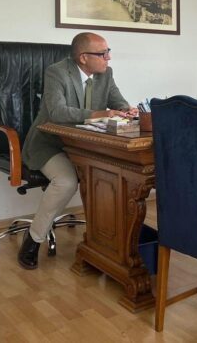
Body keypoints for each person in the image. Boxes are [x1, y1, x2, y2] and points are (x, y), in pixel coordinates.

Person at [18, 32, 138, 270]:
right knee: (66, 182)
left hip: (85, 145)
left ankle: (105, 245)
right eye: (103, 53)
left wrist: (127, 110)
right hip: (50, 143)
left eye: (108, 52)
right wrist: (99, 114)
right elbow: (57, 112)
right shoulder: (57, 72)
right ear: (83, 57)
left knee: (111, 175)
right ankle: (33, 239)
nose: (108, 58)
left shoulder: (106, 74)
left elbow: (117, 101)